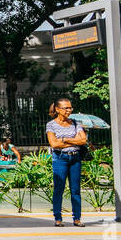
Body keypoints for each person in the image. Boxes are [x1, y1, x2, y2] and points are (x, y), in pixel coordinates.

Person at [46, 97, 88, 227]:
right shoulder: (51, 125)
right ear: (58, 109)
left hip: (75, 158)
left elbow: (83, 141)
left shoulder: (76, 123)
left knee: (75, 190)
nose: (69, 110)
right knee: (59, 189)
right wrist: (73, 139)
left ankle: (77, 218)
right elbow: (53, 143)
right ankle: (58, 218)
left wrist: (64, 139)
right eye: (66, 108)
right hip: (60, 159)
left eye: (70, 108)